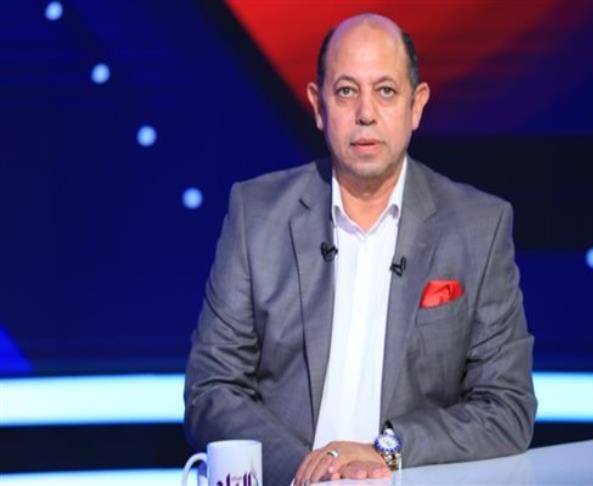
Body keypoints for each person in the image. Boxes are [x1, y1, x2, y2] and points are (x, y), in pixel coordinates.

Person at [184, 13, 536, 486]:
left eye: (386, 91)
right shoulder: (257, 215)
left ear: (416, 105)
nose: (366, 112)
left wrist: (387, 452)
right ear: (318, 105)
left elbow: (506, 408)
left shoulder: (479, 227)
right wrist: (309, 469)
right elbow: (211, 390)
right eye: (347, 91)